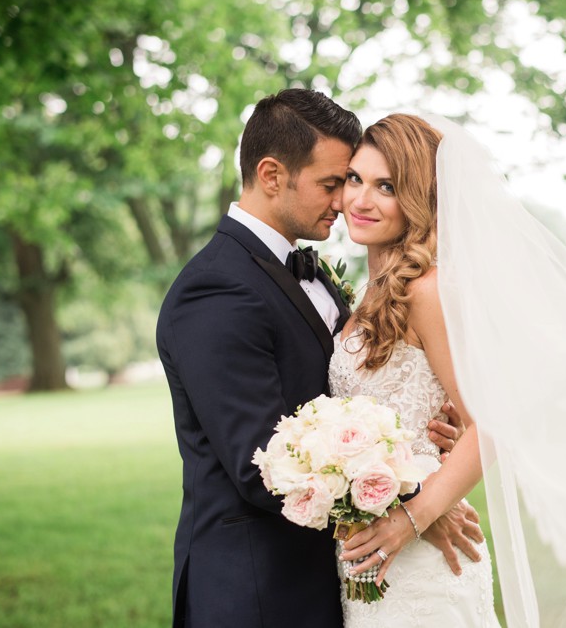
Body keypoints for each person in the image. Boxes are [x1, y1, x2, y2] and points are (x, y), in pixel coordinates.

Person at [156, 90, 476, 628]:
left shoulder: (324, 275)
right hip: (259, 595)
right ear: (273, 174)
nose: (345, 201)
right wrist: (412, 502)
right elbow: (263, 467)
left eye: (373, 183)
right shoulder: (217, 289)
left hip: (355, 576)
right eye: (338, 182)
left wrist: (423, 485)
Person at [329, 114, 499, 627]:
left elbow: (489, 427)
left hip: (420, 559)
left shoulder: (428, 291)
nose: (361, 200)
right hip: (369, 555)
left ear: (419, 200)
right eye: (354, 178)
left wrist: (415, 517)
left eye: (387, 187)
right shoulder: (366, 297)